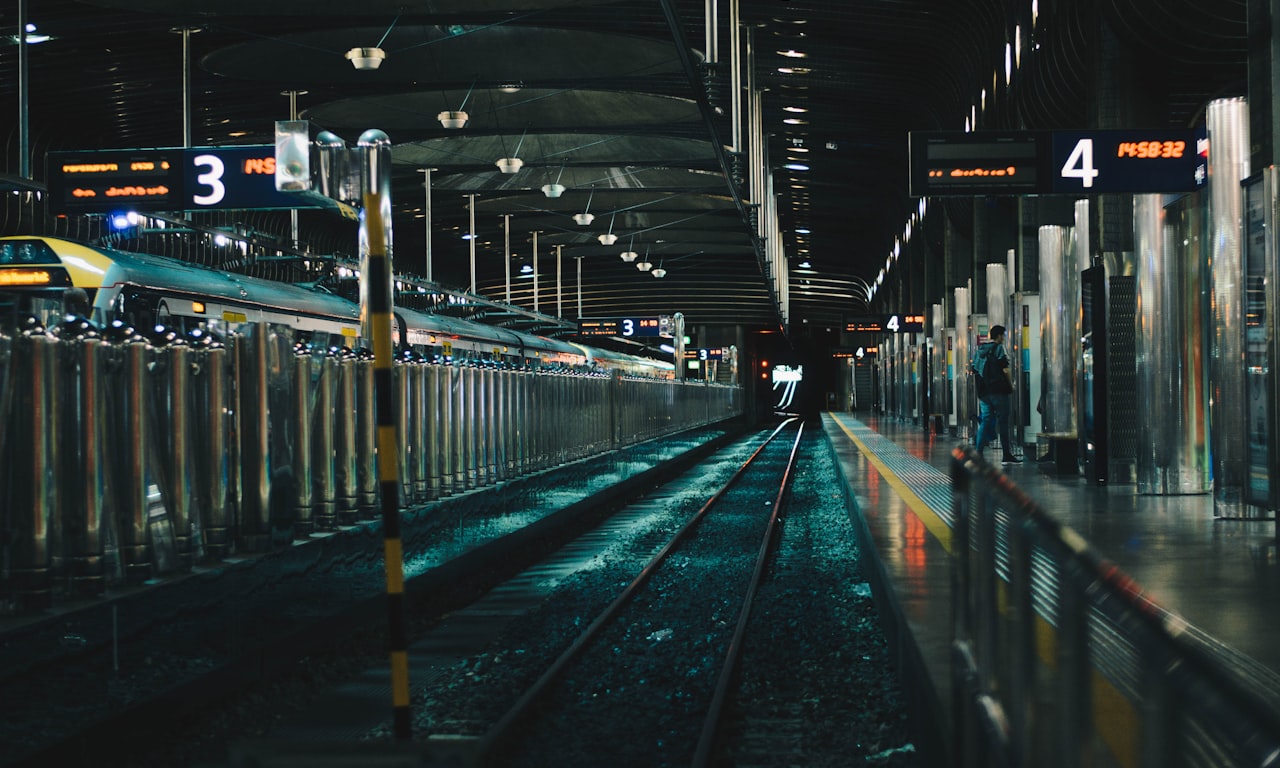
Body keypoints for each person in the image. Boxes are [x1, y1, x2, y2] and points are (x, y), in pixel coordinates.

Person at [972, 324, 1021, 463]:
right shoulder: (999, 348)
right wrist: (1010, 386)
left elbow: (975, 369)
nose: (1004, 338)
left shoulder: (980, 350)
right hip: (998, 391)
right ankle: (1006, 454)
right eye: (1003, 335)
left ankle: (979, 452)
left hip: (983, 393)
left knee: (986, 420)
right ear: (999, 336)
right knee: (1003, 421)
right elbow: (1005, 369)